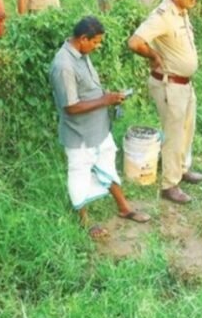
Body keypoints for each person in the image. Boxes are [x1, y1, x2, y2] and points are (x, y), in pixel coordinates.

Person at [50, 16, 151, 241]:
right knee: (79, 175)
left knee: (107, 165)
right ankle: (84, 222)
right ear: (83, 39)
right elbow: (71, 107)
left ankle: (124, 207)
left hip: (98, 129)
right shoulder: (63, 65)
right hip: (79, 135)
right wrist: (105, 100)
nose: (97, 46)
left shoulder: (81, 54)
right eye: (95, 42)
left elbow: (88, 90)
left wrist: (108, 98)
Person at [128, 0, 202, 204]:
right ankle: (170, 184)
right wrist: (152, 56)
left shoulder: (181, 12)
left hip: (184, 85)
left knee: (186, 129)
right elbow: (135, 41)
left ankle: (182, 168)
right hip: (169, 85)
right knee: (173, 134)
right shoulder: (162, 15)